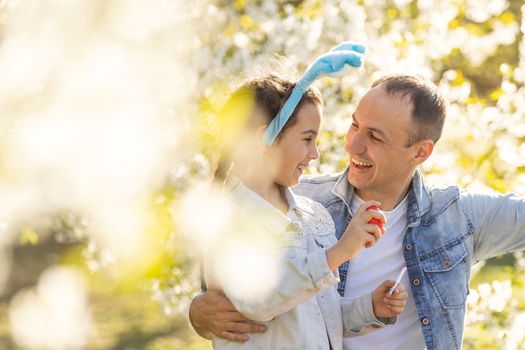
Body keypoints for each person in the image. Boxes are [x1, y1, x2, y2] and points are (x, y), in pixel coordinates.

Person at [189, 73, 525, 350]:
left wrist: (370, 309)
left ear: (420, 152)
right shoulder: (300, 200)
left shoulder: (457, 216)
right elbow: (243, 293)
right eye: (354, 126)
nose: (351, 145)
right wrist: (199, 311)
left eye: (375, 137)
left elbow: (321, 311)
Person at [201, 54, 411, 348]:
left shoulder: (313, 215)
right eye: (307, 139)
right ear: (266, 139)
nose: (315, 154)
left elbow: (316, 315)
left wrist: (370, 307)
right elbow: (259, 301)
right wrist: (337, 253)